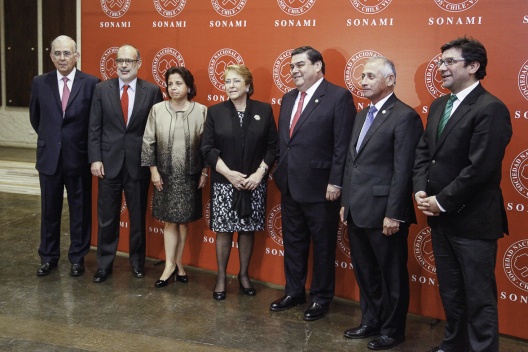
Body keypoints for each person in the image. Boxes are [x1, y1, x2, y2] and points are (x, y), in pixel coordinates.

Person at [413, 37, 512, 352]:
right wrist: (420, 188)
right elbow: (424, 153)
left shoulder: (491, 108)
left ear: (473, 66)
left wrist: (440, 201)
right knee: (452, 290)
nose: (441, 68)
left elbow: (479, 168)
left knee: (478, 296)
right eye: (441, 61)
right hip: (441, 221)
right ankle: (454, 343)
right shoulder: (441, 105)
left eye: (450, 61)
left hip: (473, 221)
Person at [339, 57, 423, 350]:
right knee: (365, 272)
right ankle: (370, 321)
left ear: (390, 80)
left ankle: (393, 329)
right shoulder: (362, 115)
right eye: (362, 75)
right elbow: (352, 163)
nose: (363, 81)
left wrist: (394, 214)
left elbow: (404, 171)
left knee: (392, 276)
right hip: (357, 210)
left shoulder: (405, 116)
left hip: (385, 213)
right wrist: (346, 202)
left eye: (371, 75)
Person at [271, 46, 356, 321]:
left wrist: (336, 182)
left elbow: (343, 145)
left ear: (318, 66)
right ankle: (294, 292)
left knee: (322, 247)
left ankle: (321, 298)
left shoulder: (338, 96)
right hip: (290, 186)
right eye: (291, 66)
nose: (294, 70)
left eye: (300, 65)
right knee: (293, 244)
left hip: (322, 189)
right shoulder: (288, 98)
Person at [201, 64, 277, 300]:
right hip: (225, 183)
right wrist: (230, 175)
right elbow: (207, 149)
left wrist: (258, 175)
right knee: (223, 231)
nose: (230, 86)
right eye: (227, 82)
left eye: (235, 81)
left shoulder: (264, 111)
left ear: (248, 85)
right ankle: (222, 277)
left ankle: (244, 275)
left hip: (254, 183)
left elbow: (272, 147)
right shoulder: (215, 112)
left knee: (247, 231)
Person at [88, 44, 163, 283]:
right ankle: (104, 264)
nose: (123, 65)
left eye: (129, 61)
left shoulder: (152, 91)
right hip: (108, 164)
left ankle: (137, 263)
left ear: (138, 63)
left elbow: (155, 132)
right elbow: (94, 127)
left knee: (138, 218)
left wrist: (153, 164)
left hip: (138, 165)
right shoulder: (101, 89)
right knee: (107, 217)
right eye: (119, 60)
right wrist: (95, 158)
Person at [29, 35, 100, 277]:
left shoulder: (91, 83)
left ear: (76, 56)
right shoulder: (40, 82)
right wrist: (53, 141)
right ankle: (48, 257)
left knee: (80, 210)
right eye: (57, 53)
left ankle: (78, 257)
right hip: (49, 157)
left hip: (78, 157)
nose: (62, 58)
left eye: (67, 53)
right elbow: (36, 118)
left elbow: (94, 123)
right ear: (51, 56)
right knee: (49, 211)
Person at [141, 67, 208, 288]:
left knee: (183, 222)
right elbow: (148, 141)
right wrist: (153, 171)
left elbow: (208, 146)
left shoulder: (202, 111)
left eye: (178, 83)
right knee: (169, 221)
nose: (174, 88)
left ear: (189, 86)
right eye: (170, 84)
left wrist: (205, 171)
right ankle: (169, 265)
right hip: (165, 176)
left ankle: (179, 263)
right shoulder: (157, 110)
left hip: (190, 176)